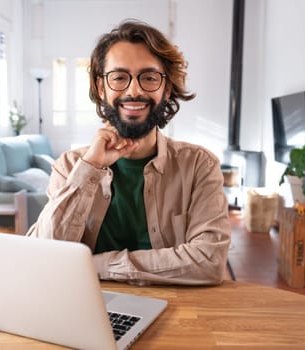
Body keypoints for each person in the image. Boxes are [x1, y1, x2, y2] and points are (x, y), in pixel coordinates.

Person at [27, 19, 230, 285]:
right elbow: (44, 256)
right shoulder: (69, 166)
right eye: (119, 78)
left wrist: (95, 265)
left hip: (179, 311)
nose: (134, 90)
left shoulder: (199, 165)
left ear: (166, 88)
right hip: (85, 308)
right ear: (102, 88)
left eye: (148, 77)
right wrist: (90, 168)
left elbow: (209, 262)